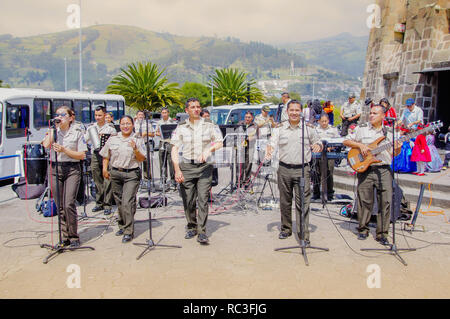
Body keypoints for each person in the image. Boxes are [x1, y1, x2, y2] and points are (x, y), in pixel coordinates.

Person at [265, 100, 323, 242]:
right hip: (284, 169)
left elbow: (318, 142)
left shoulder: (308, 128)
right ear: (287, 111)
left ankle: (303, 233)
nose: (294, 113)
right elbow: (272, 143)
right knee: (285, 202)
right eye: (292, 110)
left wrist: (317, 146)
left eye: (297, 110)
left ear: (301, 112)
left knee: (303, 203)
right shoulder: (279, 128)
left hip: (302, 170)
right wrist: (269, 151)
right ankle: (286, 229)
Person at [343, 105, 402, 245]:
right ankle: (363, 229)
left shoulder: (390, 132)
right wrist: (361, 146)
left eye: (375, 113)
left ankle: (382, 233)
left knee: (386, 201)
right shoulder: (362, 128)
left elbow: (394, 154)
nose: (371, 115)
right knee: (364, 200)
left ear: (383, 116)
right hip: (366, 169)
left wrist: (398, 148)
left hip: (384, 169)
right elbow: (346, 140)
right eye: (370, 113)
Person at [171, 98, 223, 244]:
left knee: (203, 199)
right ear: (186, 110)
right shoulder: (181, 127)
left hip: (204, 167)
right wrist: (177, 170)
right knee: (188, 199)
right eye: (192, 107)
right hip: (187, 166)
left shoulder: (209, 125)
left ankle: (202, 231)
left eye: (198, 107)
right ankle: (192, 226)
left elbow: (219, 142)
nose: (196, 109)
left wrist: (209, 150)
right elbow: (174, 148)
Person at [42, 106, 88, 248]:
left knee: (68, 203)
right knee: (60, 204)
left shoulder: (77, 132)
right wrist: (52, 130)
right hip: (55, 168)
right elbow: (46, 145)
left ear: (70, 117)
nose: (60, 117)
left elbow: (81, 155)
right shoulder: (53, 131)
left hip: (72, 168)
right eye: (57, 115)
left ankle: (74, 236)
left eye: (63, 115)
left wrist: (64, 150)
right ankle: (64, 236)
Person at [100, 115, 146, 243]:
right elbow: (106, 155)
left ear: (133, 125)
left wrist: (135, 149)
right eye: (123, 124)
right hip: (115, 173)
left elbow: (142, 159)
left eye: (128, 124)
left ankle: (128, 231)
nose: (125, 126)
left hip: (131, 173)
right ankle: (122, 224)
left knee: (127, 201)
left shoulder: (137, 139)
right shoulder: (113, 138)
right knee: (119, 201)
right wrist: (105, 169)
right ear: (119, 125)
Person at [85, 106, 117, 215]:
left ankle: (107, 204)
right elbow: (85, 139)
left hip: (107, 154)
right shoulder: (91, 128)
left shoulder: (110, 128)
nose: (97, 117)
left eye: (100, 115)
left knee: (107, 179)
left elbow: (114, 141)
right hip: (95, 154)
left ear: (104, 115)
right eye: (96, 115)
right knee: (96, 178)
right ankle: (99, 202)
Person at [312, 113, 340, 201]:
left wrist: (331, 147)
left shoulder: (333, 129)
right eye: (322, 121)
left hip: (329, 154)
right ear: (319, 121)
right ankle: (316, 193)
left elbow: (338, 141)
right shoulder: (315, 129)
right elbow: (312, 141)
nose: (324, 123)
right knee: (316, 173)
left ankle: (330, 193)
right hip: (317, 155)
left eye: (326, 121)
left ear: (328, 121)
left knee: (329, 173)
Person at [156, 107, 176, 189]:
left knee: (171, 162)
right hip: (162, 142)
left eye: (165, 112)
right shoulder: (159, 122)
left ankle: (172, 180)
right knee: (162, 162)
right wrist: (160, 134)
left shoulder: (172, 121)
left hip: (170, 142)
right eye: (162, 112)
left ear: (168, 113)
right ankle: (163, 179)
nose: (164, 114)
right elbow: (156, 132)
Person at [237, 111, 256, 188]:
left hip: (250, 147)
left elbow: (258, 135)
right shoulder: (240, 124)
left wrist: (252, 138)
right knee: (240, 165)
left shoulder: (255, 126)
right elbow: (236, 134)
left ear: (252, 118)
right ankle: (238, 182)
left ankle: (247, 182)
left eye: (249, 117)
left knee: (248, 165)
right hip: (241, 147)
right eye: (246, 117)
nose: (247, 119)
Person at [201, 110, 219, 187]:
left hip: (212, 152)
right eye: (205, 116)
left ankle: (208, 195)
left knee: (212, 177)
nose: (207, 118)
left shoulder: (214, 125)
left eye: (208, 116)